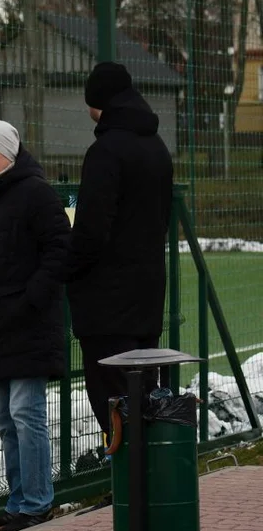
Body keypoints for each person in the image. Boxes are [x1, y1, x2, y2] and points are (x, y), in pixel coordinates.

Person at [0, 121, 71, 531]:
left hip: (29, 324)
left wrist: (31, 299)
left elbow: (61, 250)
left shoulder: (37, 194)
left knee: (26, 414)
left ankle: (38, 502)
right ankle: (18, 502)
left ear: (9, 152)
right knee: (5, 419)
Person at [66, 62, 174, 437]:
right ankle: (149, 490)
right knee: (144, 402)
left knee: (113, 408)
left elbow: (91, 232)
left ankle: (129, 492)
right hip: (146, 299)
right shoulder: (158, 148)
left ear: (97, 103)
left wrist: (68, 269)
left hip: (107, 307)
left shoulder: (105, 152)